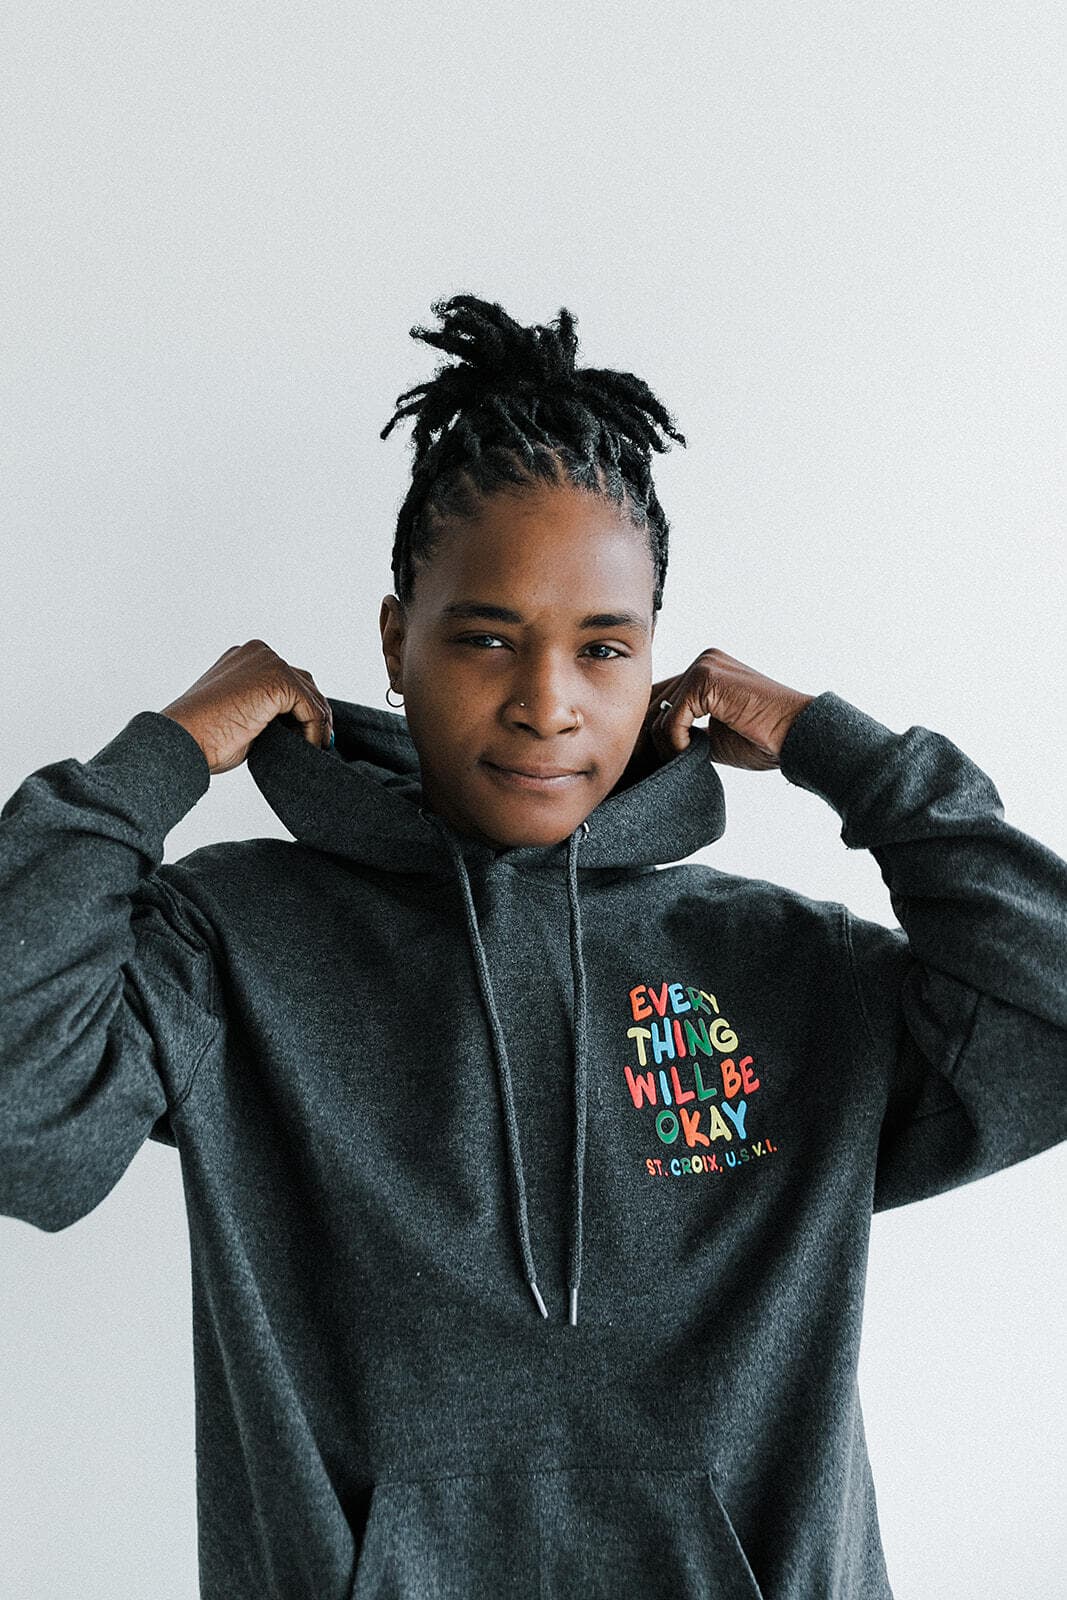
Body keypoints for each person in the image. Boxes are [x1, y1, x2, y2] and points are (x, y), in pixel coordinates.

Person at [1, 292, 1064, 1600]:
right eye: (488, 636)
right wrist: (157, 759)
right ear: (396, 643)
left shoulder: (786, 969)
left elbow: (1047, 1021)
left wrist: (839, 748)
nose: (546, 701)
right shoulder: (234, 947)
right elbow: (19, 1123)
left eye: (602, 647)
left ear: (660, 666)